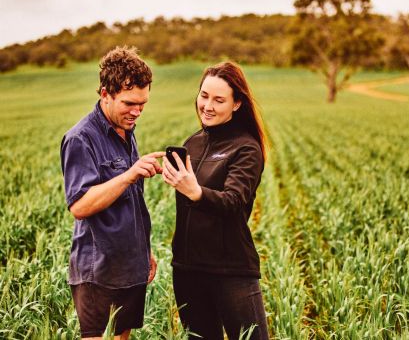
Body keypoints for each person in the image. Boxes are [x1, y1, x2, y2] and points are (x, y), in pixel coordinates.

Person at [60, 46, 164, 340]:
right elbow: (80, 205)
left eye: (143, 104)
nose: (137, 111)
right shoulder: (81, 139)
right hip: (98, 271)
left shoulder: (126, 130)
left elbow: (129, 202)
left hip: (130, 265)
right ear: (105, 94)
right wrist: (130, 174)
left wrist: (144, 250)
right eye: (130, 103)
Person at [162, 62, 269, 340]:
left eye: (219, 100)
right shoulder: (193, 144)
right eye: (204, 95)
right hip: (187, 271)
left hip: (231, 270)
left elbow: (233, 201)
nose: (207, 106)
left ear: (236, 104)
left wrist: (195, 192)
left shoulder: (246, 148)